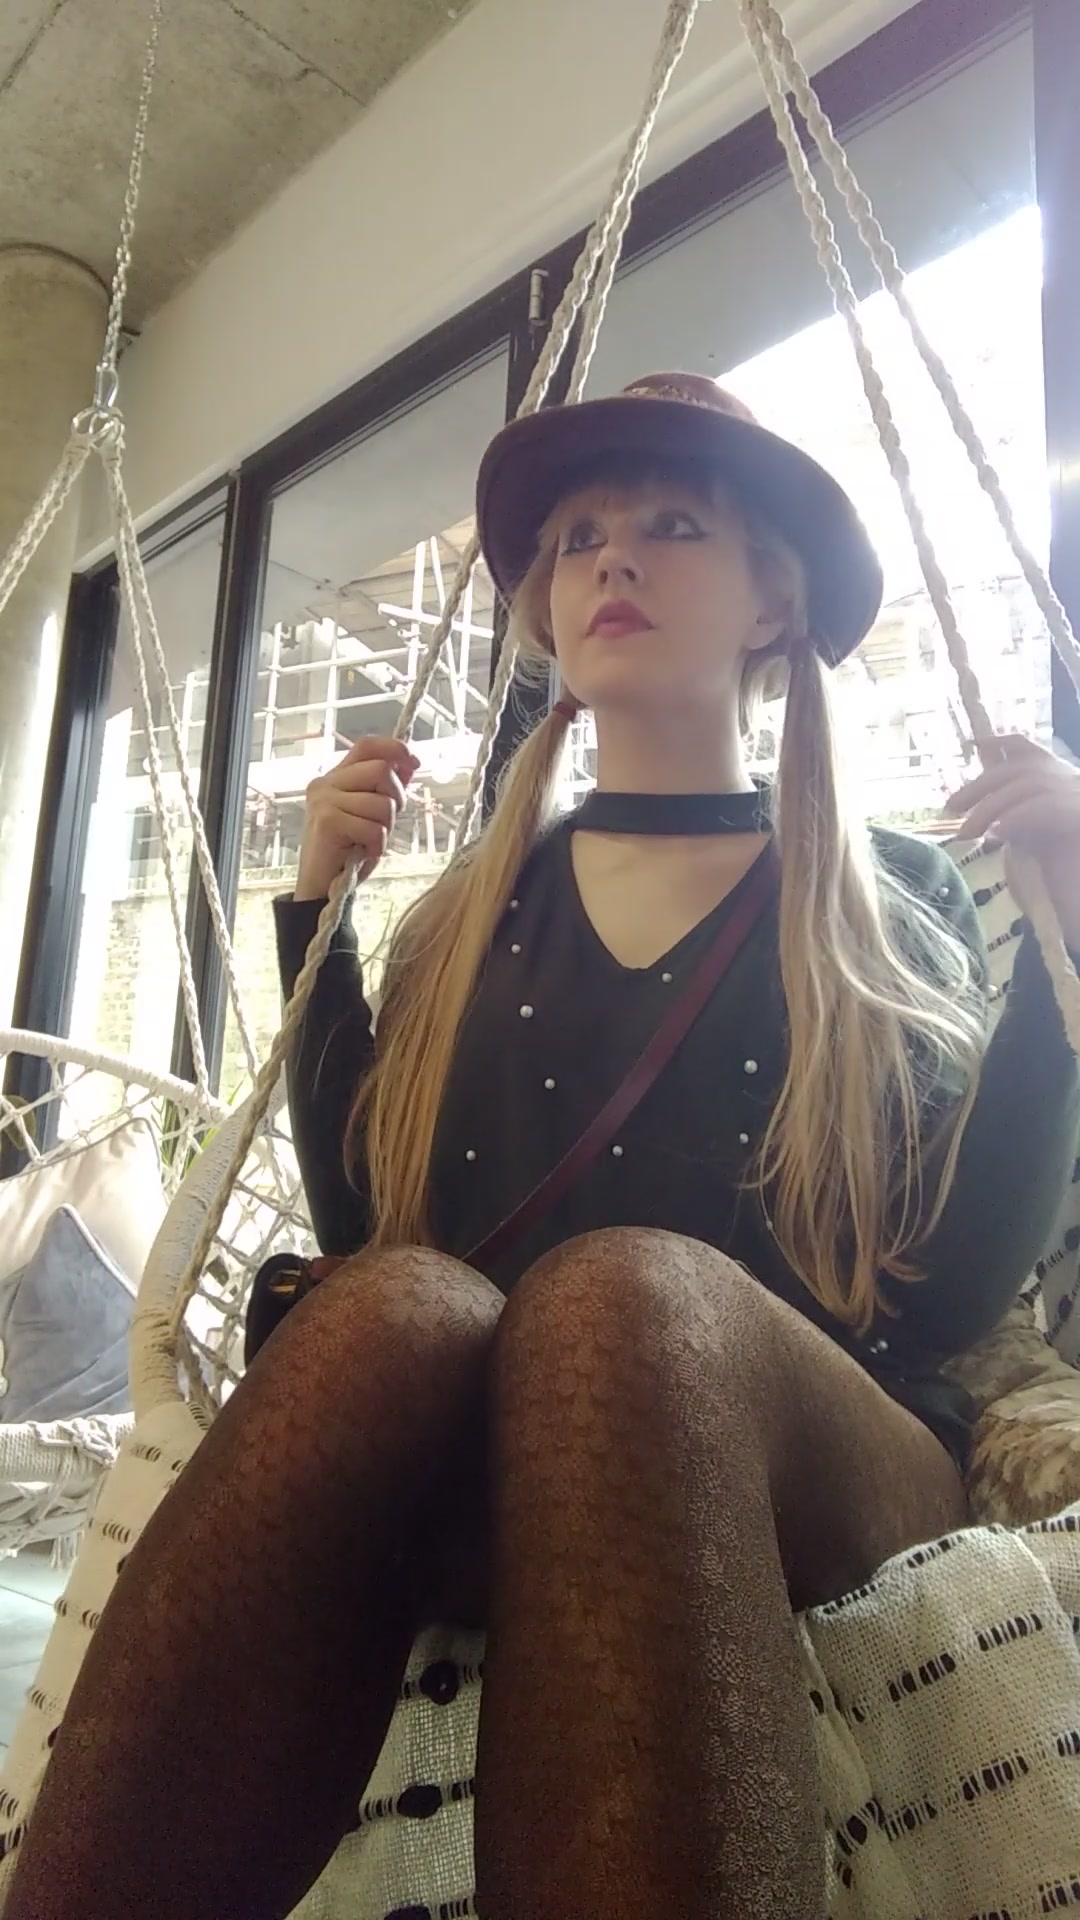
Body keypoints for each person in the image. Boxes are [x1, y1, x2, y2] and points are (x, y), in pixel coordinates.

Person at [11, 374, 1080, 1920]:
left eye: (672, 525)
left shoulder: (876, 887)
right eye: (578, 539)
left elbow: (957, 1283)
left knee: (624, 1298)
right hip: (492, 1449)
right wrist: (315, 911)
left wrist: (1067, 932)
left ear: (774, 601)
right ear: (546, 610)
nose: (611, 559)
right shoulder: (469, 911)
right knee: (389, 1306)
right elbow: (378, 1226)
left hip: (820, 1456)